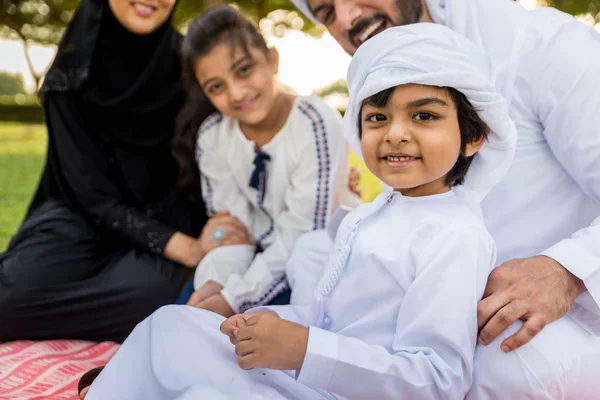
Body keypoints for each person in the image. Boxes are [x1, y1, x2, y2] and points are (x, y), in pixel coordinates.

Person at [84, 23, 543, 400]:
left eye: (424, 116)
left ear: (473, 135)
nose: (395, 134)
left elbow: (438, 381)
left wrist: (304, 350)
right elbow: (332, 319)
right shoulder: (376, 213)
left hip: (349, 389)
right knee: (172, 324)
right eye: (377, 117)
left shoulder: (455, 236)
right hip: (310, 373)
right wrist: (272, 325)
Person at [0, 0, 251, 342]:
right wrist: (186, 250)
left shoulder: (192, 65)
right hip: (80, 215)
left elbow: (244, 127)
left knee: (153, 298)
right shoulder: (72, 73)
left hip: (168, 214)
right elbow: (88, 191)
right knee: (10, 300)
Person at [171, 6, 351, 318]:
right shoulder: (214, 135)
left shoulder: (313, 122)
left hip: (319, 261)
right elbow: (234, 231)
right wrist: (217, 286)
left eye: (243, 69)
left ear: (272, 59)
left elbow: (303, 234)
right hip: (256, 261)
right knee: (188, 311)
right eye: (216, 86)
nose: (237, 92)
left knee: (261, 331)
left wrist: (234, 298)